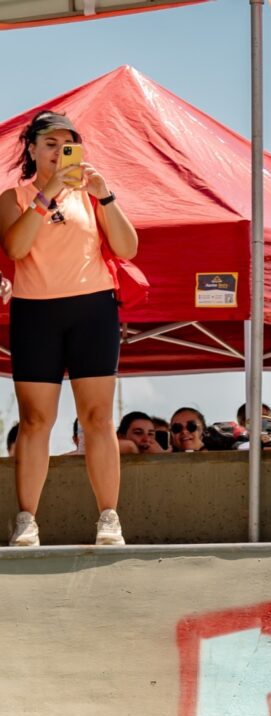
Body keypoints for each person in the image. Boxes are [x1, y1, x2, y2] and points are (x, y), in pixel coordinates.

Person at [0, 110, 138, 546]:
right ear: (32, 149)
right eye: (50, 144)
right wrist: (48, 194)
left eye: (68, 145)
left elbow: (128, 248)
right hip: (35, 312)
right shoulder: (14, 197)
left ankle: (109, 518)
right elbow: (16, 247)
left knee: (98, 417)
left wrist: (106, 195)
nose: (60, 151)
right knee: (35, 420)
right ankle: (27, 520)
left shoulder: (90, 195)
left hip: (92, 308)